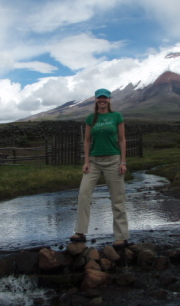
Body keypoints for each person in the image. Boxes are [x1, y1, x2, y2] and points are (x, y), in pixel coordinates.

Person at [70, 88, 129, 248]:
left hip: (113, 160)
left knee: (117, 199)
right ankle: (80, 232)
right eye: (99, 98)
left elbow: (122, 139)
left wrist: (123, 162)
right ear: (95, 100)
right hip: (94, 162)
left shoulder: (116, 116)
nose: (102, 100)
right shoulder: (91, 118)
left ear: (109, 100)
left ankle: (122, 236)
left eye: (105, 98)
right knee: (83, 194)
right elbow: (87, 140)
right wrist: (86, 161)